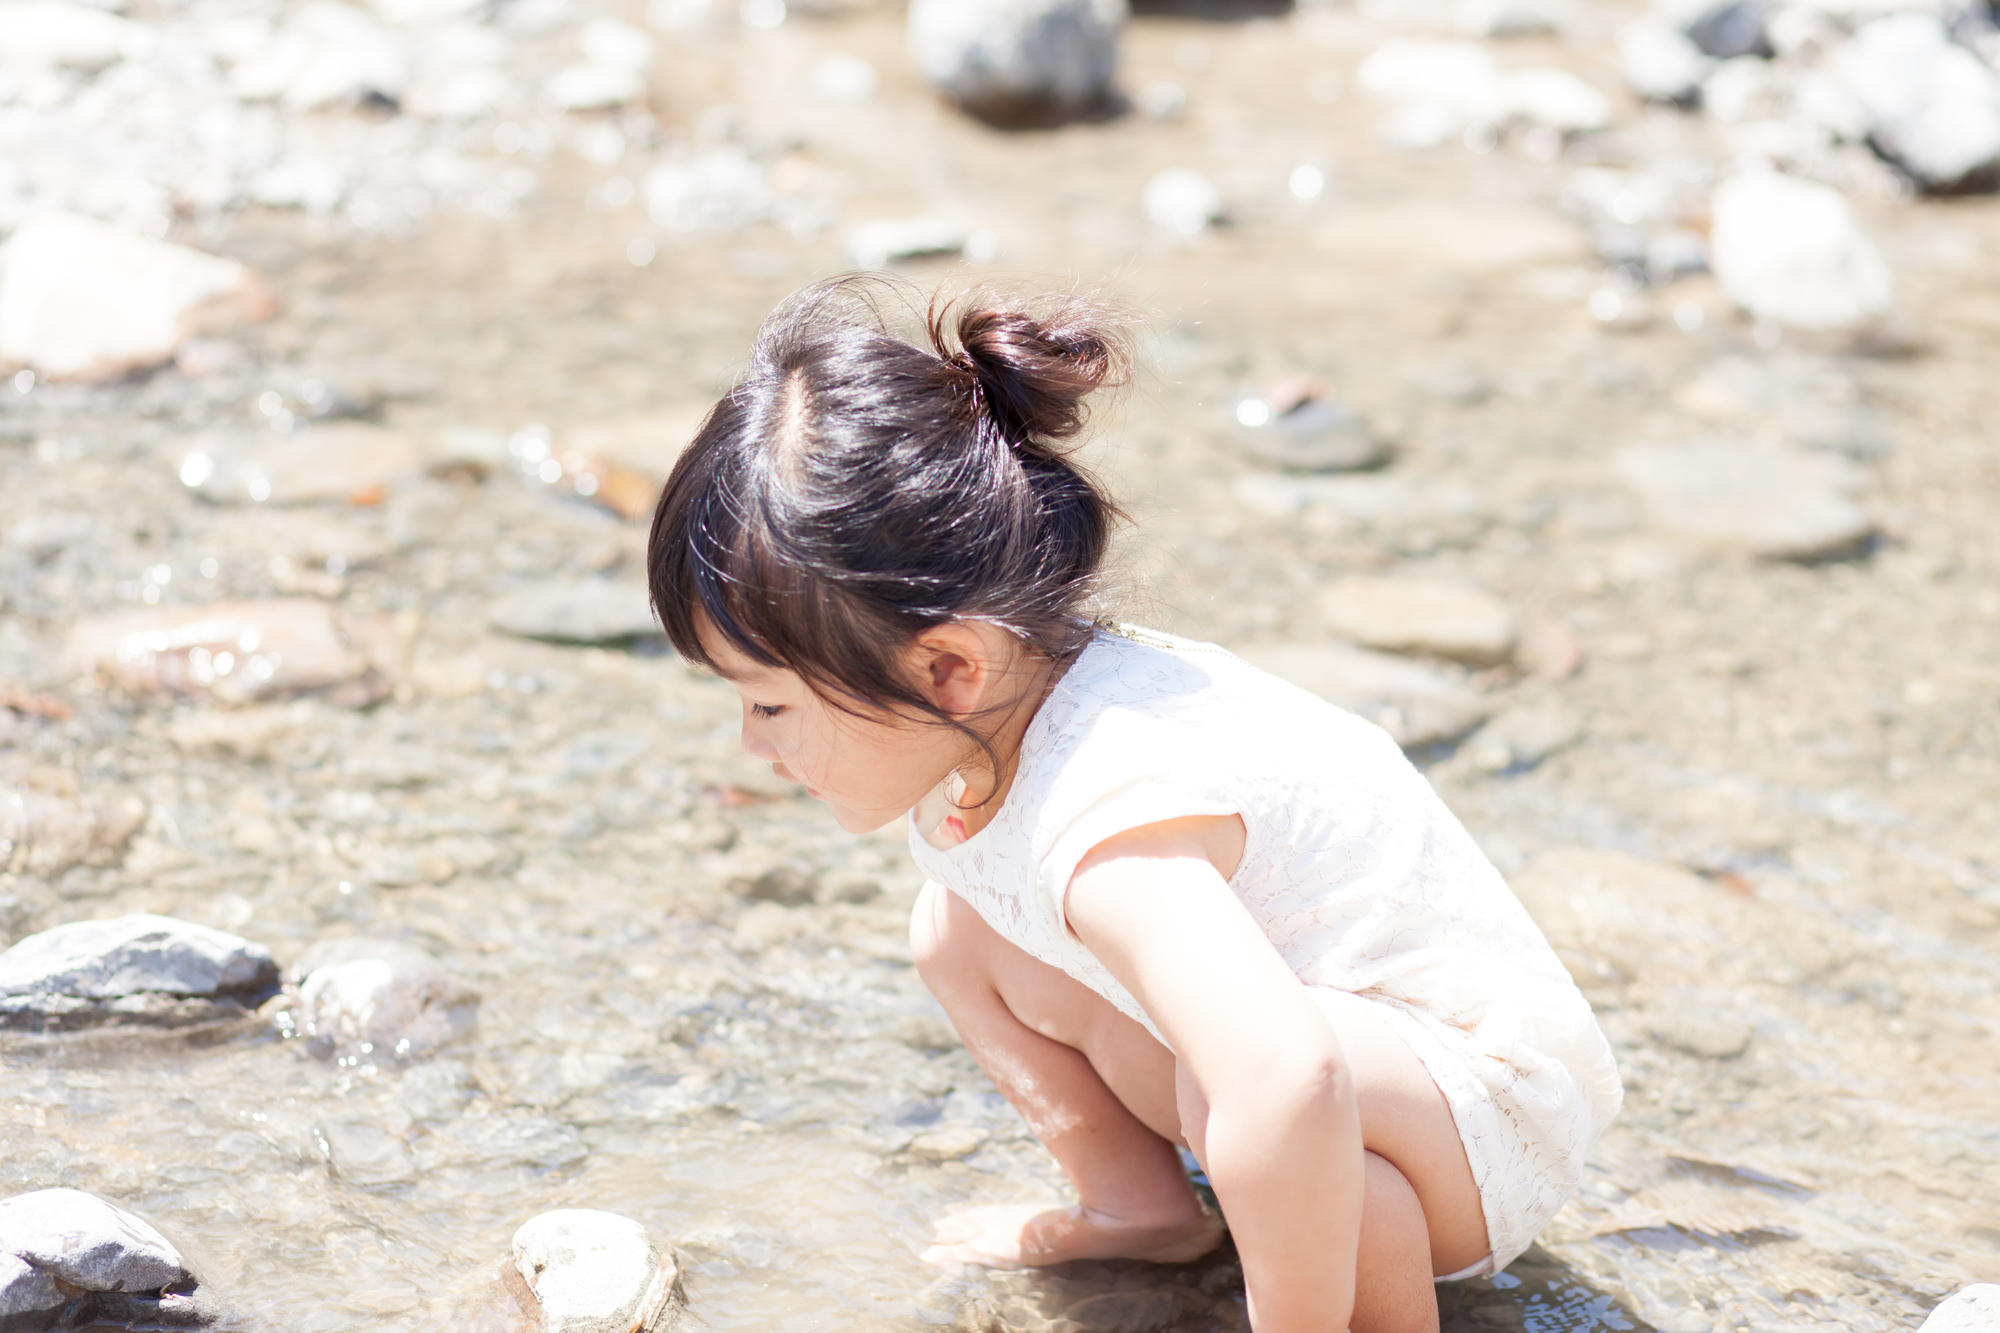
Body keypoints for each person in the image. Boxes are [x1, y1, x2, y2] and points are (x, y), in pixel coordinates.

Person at [645, 278, 1623, 1333]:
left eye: (769, 702)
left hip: (1479, 1123)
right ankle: (1139, 1207)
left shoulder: (1110, 814)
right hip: (1357, 1078)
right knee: (957, 928)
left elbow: (1287, 1077)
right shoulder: (1003, 715)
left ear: (947, 670)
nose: (753, 742)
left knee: (1242, 1081)